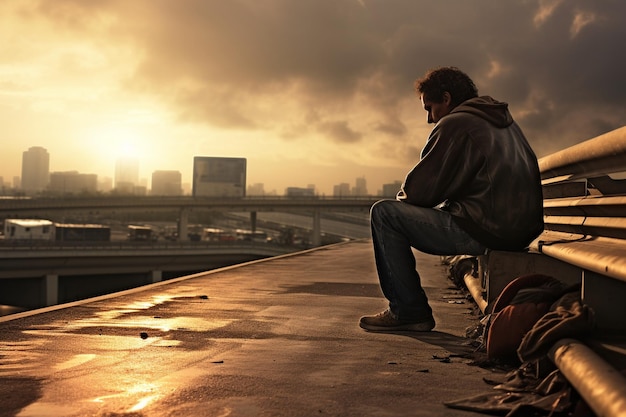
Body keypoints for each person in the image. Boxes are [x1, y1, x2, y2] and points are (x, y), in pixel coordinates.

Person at [359, 66, 544, 332]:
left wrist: (411, 196)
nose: (429, 119)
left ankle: (408, 311)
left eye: (429, 108)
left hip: (486, 228)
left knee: (385, 214)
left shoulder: (456, 122)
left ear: (446, 99)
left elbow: (419, 193)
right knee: (392, 214)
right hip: (518, 230)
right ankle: (408, 310)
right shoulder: (505, 123)